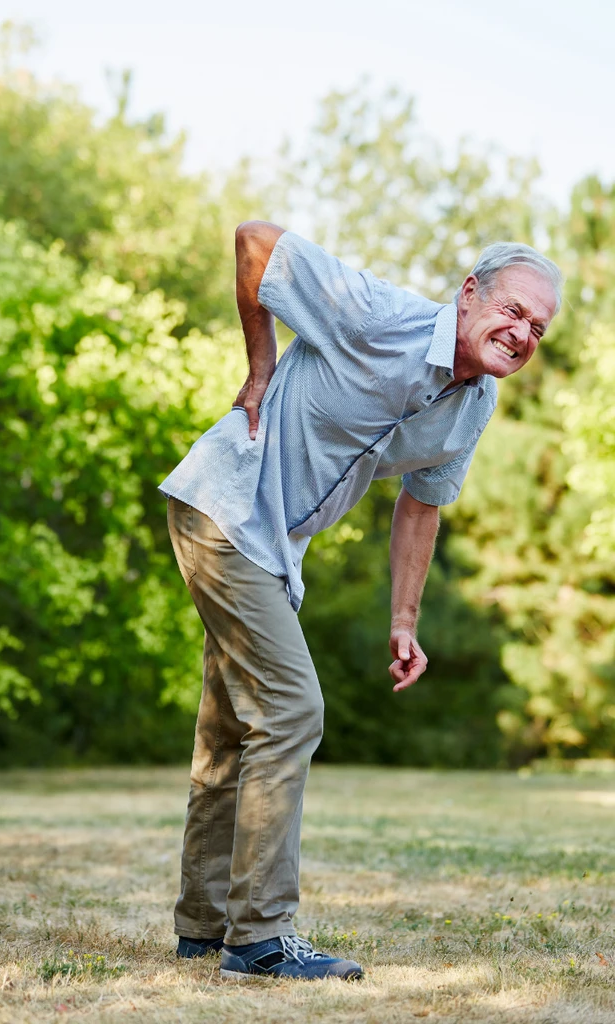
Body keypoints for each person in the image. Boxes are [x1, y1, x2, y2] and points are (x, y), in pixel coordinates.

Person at [159, 222, 562, 980]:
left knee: (228, 731)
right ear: (469, 292)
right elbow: (255, 242)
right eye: (512, 311)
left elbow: (422, 503)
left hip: (275, 543)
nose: (521, 333)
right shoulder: (376, 315)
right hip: (225, 506)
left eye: (537, 328)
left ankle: (203, 926)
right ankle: (261, 939)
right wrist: (259, 363)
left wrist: (403, 621)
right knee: (290, 710)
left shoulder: (472, 408)